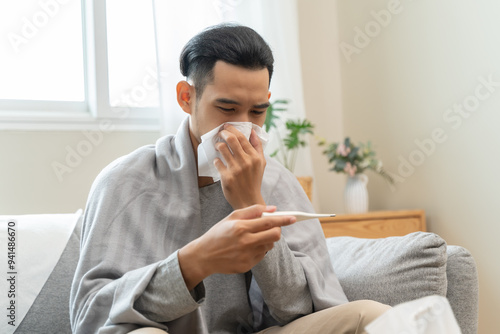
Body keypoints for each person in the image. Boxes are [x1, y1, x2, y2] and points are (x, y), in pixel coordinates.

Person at [70, 23, 390, 334]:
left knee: (371, 316)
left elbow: (303, 310)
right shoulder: (127, 181)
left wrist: (252, 203)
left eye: (256, 112)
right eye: (227, 108)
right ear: (186, 97)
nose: (242, 127)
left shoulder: (278, 182)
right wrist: (195, 261)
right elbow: (92, 315)